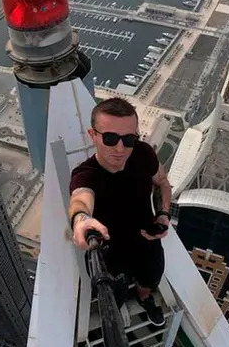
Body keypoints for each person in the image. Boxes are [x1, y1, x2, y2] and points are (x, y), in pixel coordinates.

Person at [68, 97, 171, 327]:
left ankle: (145, 300)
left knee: (149, 282)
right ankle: (119, 303)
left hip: (147, 241)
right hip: (109, 252)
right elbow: (81, 198)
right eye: (110, 138)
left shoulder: (143, 154)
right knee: (115, 293)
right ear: (93, 135)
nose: (120, 148)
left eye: (128, 139)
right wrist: (81, 220)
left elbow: (162, 183)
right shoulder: (86, 174)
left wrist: (163, 215)